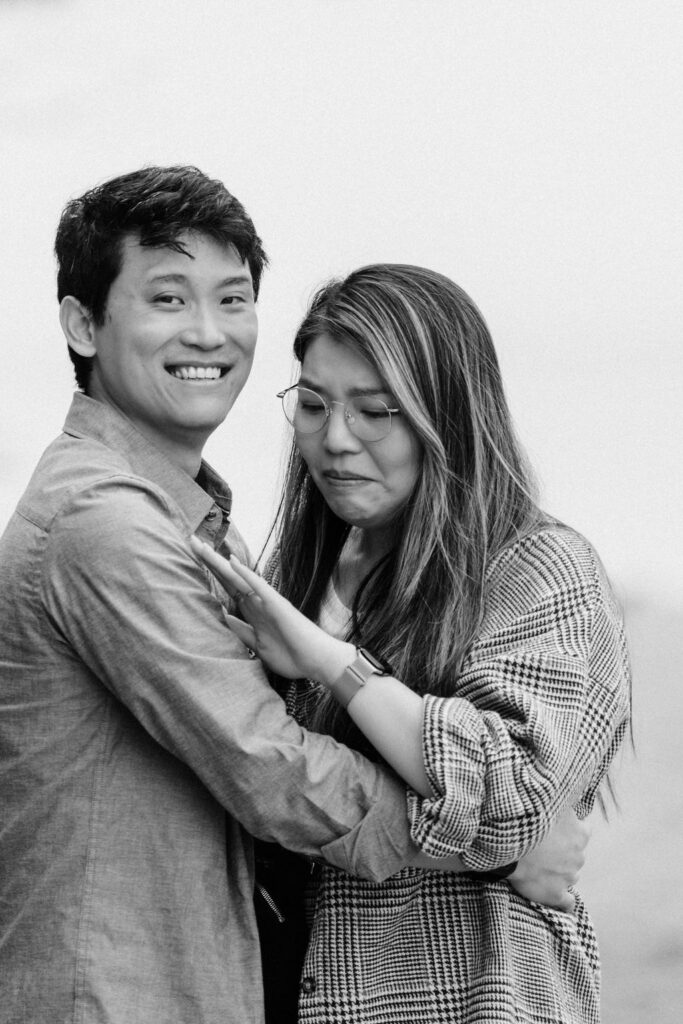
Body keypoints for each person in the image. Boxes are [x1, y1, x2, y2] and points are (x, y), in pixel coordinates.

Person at [0, 170, 584, 1024]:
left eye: (232, 298)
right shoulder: (106, 526)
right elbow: (271, 769)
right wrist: (496, 850)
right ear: (83, 323)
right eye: (167, 297)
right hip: (113, 991)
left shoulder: (199, 527)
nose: (209, 332)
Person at [193, 263, 632, 1024]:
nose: (334, 440)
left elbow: (512, 798)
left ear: (447, 416)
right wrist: (492, 849)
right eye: (313, 404)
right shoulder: (302, 579)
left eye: (375, 411)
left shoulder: (540, 570)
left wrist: (331, 660)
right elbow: (265, 786)